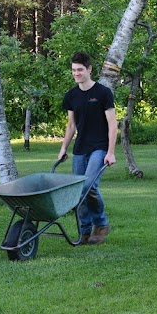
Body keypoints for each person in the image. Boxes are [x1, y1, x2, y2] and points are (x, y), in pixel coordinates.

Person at [57, 51, 117, 245]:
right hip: (80, 149)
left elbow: (113, 124)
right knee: (78, 191)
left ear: (89, 69)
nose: (77, 73)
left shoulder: (102, 93)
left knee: (88, 185)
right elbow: (71, 125)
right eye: (74, 70)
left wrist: (111, 152)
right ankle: (84, 232)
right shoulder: (71, 96)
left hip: (99, 147)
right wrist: (64, 148)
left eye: (80, 70)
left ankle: (101, 224)